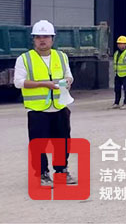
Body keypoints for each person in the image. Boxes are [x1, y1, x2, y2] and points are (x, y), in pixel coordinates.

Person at [15, 20, 77, 186]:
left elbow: (69, 75)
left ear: (52, 39)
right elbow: (18, 82)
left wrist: (68, 81)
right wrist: (44, 84)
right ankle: (42, 174)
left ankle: (62, 171)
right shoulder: (24, 59)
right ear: (33, 39)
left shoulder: (61, 56)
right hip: (37, 109)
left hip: (60, 107)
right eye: (38, 37)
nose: (42, 40)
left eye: (46, 37)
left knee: (63, 142)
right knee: (38, 144)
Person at [112, 36, 126, 108]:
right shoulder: (116, 53)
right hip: (118, 74)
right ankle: (116, 102)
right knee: (117, 89)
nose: (121, 45)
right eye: (120, 44)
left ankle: (125, 103)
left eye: (123, 44)